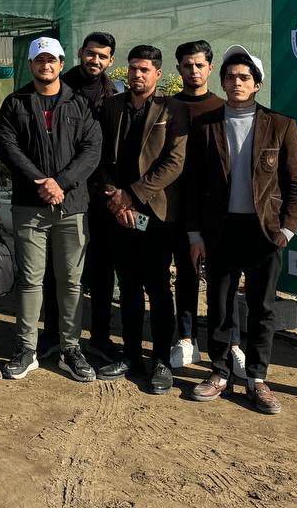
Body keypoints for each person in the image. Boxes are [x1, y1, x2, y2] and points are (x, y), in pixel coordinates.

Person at [186, 46, 297, 415]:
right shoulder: (206, 126)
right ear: (221, 82)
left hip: (264, 232)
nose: (236, 83)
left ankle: (257, 377)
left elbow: (294, 183)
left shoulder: (280, 124)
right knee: (220, 305)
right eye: (230, 77)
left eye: (243, 78)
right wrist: (195, 235)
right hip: (220, 230)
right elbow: (192, 184)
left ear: (256, 84)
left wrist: (287, 230)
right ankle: (219, 372)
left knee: (262, 307)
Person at [0, 37, 102, 383]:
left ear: (60, 63)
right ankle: (26, 349)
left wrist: (62, 182)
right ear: (31, 65)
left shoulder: (78, 102)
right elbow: (7, 146)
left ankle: (71, 348)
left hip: (71, 207)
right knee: (29, 280)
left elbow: (91, 149)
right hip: (30, 205)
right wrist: (41, 181)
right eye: (40, 61)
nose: (46, 66)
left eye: (52, 60)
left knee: (71, 282)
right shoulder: (16, 103)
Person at [94, 44, 188, 394]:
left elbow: (174, 162)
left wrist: (132, 195)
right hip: (119, 214)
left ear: (158, 74)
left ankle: (161, 360)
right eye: (133, 68)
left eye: (144, 69)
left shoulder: (172, 109)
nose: (137, 74)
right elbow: (100, 154)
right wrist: (115, 199)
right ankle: (132, 355)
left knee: (159, 288)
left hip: (155, 216)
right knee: (129, 287)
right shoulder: (113, 106)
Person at [55, 31, 121, 362]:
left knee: (102, 265)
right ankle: (58, 335)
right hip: (67, 190)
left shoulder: (115, 93)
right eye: (91, 53)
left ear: (110, 61)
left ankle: (100, 335)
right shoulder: (60, 86)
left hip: (103, 193)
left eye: (103, 56)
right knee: (64, 268)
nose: (95, 60)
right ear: (81, 52)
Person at [169, 40, 225, 371]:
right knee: (185, 275)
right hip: (174, 209)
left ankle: (228, 343)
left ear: (210, 67)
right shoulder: (167, 106)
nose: (193, 71)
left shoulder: (221, 107)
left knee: (220, 277)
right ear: (178, 69)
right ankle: (186, 339)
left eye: (199, 65)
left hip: (214, 210)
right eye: (187, 65)